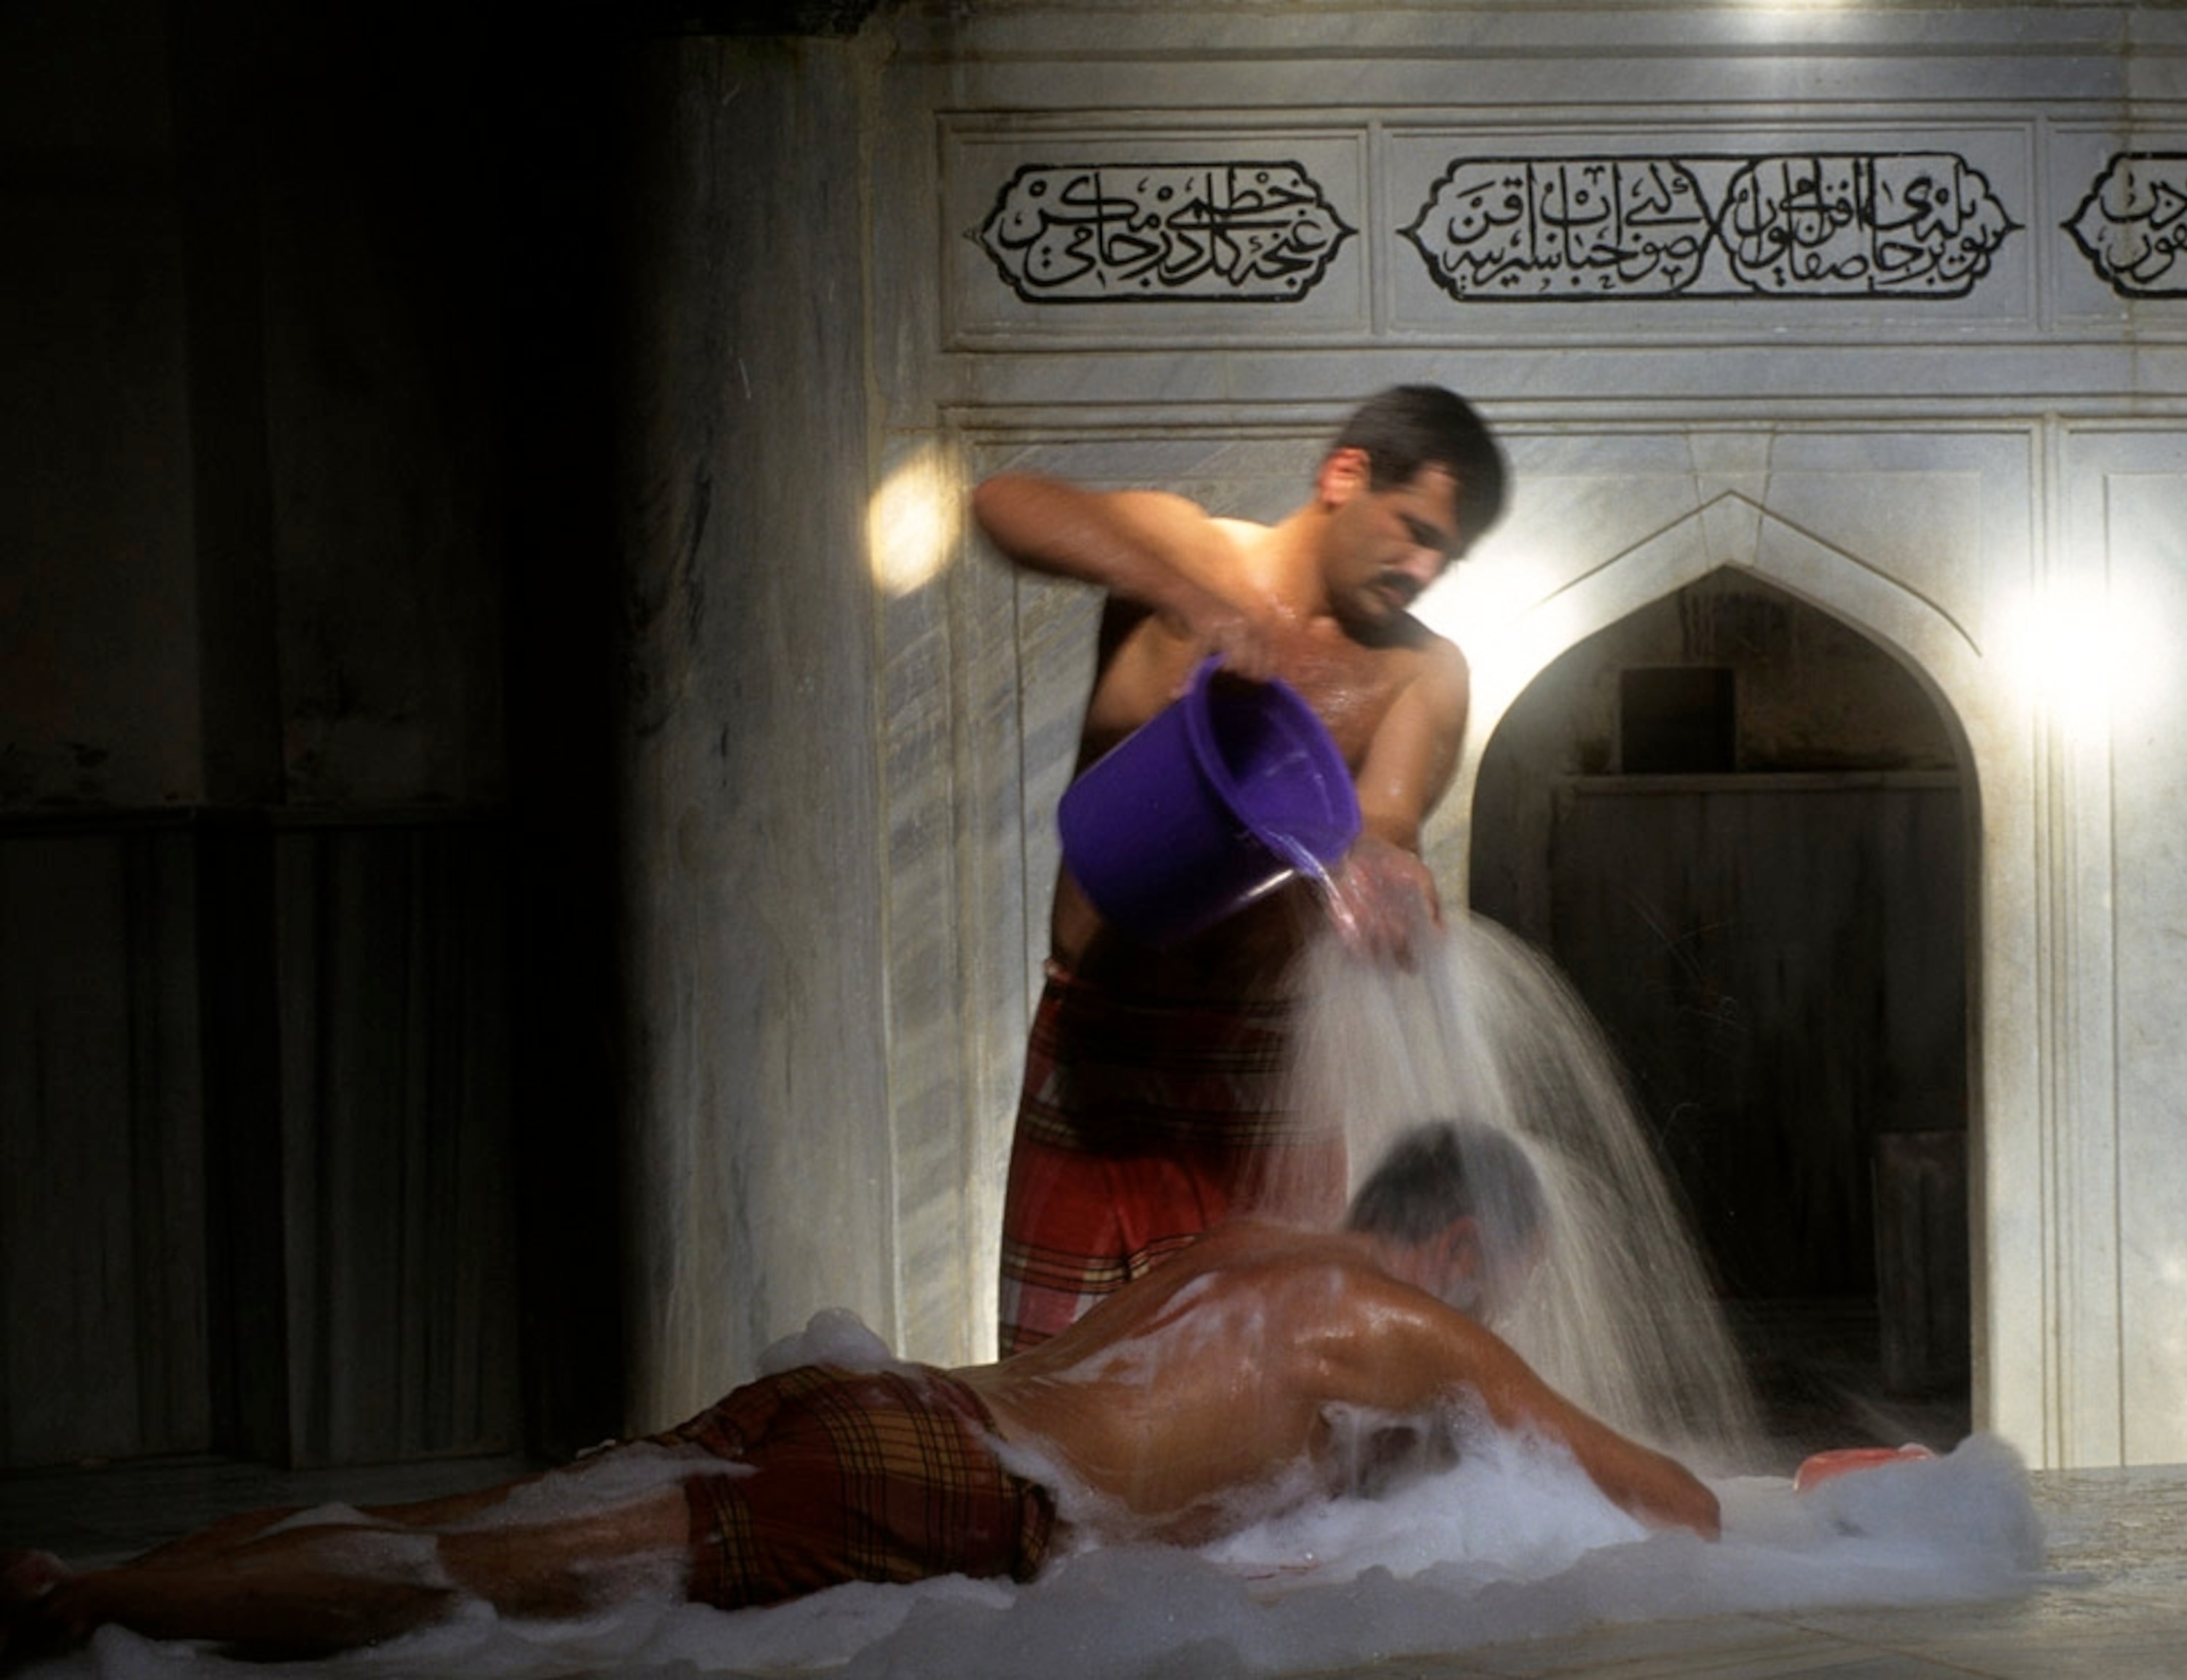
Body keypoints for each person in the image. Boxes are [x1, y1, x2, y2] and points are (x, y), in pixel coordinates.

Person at [1, 1123, 1715, 1665]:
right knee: (483, 1578)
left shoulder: (1247, 1246)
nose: (1502, 1317)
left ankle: (97, 1581)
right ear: (1462, 1248)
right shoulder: (1408, 1326)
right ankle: (81, 1603)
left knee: (460, 1524)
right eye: (1509, 1285)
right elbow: (1672, 1500)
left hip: (876, 1401)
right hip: (943, 1483)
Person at [975, 385, 1510, 1351]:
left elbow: (1384, 820)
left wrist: (1383, 868)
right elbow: (1003, 503)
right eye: (1416, 529)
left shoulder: (1423, 670)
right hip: (1100, 1039)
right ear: (1345, 475)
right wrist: (1191, 600)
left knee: (1260, 1384)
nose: (1424, 569)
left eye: (1447, 554)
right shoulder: (1191, 552)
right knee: (1052, 1369)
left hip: (1266, 1069)